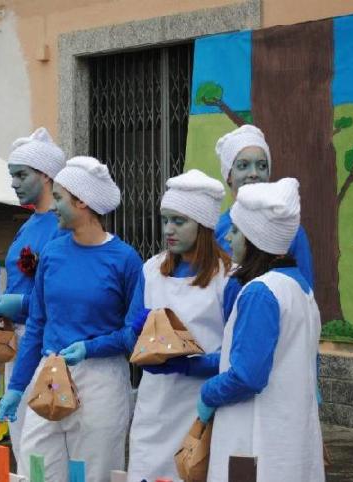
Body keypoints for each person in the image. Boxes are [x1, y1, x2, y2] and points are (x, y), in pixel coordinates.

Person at [0, 156, 143, 482]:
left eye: (59, 198)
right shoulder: (52, 253)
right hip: (50, 370)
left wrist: (90, 348)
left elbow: (133, 333)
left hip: (102, 379)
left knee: (94, 473)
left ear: (82, 202)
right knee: (37, 468)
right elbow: (37, 324)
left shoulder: (125, 260)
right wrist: (17, 387)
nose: (54, 207)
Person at [197, 178, 324, 482]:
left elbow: (247, 376)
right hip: (287, 438)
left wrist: (207, 393)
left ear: (256, 238)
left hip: (255, 442)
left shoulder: (260, 292)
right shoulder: (300, 287)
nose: (228, 237)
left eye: (236, 230)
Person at [126, 170, 232, 481]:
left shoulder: (228, 278)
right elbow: (129, 334)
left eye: (179, 221)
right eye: (165, 220)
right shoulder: (152, 270)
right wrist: (139, 332)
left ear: (203, 225)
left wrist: (189, 365)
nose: (168, 230)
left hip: (200, 406)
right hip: (154, 407)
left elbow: (234, 355)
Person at [0, 127, 66, 471]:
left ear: (46, 175)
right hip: (18, 339)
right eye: (12, 176)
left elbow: (61, 296)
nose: (14, 184)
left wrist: (21, 304)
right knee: (21, 440)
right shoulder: (29, 223)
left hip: (44, 343)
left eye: (21, 175)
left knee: (40, 448)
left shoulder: (59, 226)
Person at [213, 125, 314, 286]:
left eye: (262, 166)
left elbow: (303, 289)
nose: (254, 173)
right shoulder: (216, 231)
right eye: (243, 165)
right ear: (229, 175)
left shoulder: (288, 230)